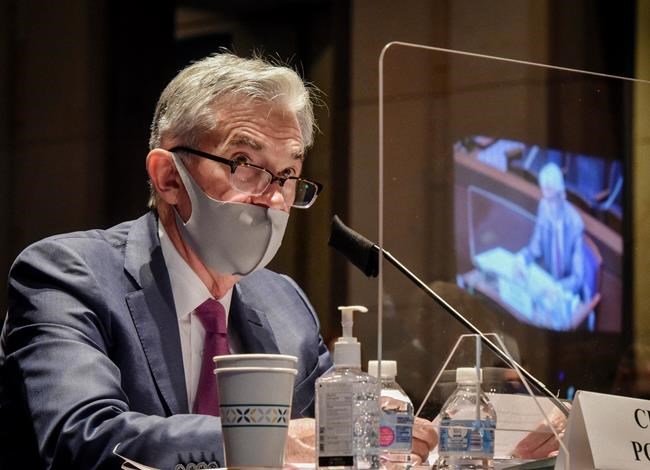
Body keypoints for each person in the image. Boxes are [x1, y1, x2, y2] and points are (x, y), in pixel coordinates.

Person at [0, 53, 435, 469]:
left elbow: (327, 435)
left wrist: (378, 430)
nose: (274, 199)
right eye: (244, 164)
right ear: (169, 177)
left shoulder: (285, 305)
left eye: (287, 175)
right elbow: (83, 438)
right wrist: (267, 441)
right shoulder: (69, 275)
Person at [516, 161, 586, 327]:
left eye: (551, 200)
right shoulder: (544, 207)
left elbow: (578, 278)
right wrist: (521, 258)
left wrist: (556, 287)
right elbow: (535, 248)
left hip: (566, 292)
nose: (547, 206)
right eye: (545, 198)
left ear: (562, 196)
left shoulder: (575, 224)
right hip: (547, 287)